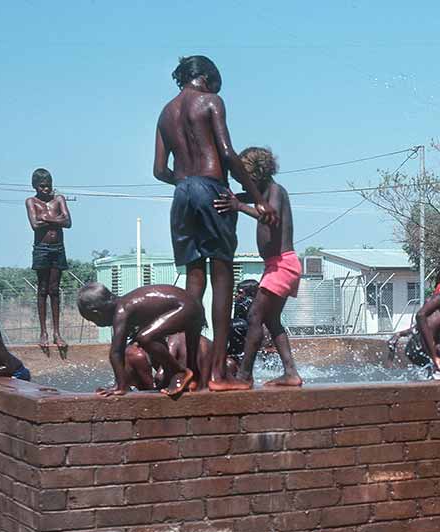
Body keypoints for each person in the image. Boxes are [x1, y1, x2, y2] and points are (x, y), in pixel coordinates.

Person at [153, 55, 278, 391]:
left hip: (182, 195)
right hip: (212, 191)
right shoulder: (210, 101)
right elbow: (226, 152)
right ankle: (218, 375)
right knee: (222, 278)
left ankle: (189, 370)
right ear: (206, 78)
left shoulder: (166, 113)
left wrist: (187, 186)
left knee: (195, 282)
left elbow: (159, 170)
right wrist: (256, 196)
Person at [212, 147, 301, 388]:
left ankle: (244, 376)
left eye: (244, 179)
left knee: (254, 316)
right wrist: (231, 198)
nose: (243, 185)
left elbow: (269, 216)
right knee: (271, 320)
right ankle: (291, 373)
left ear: (257, 174)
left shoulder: (275, 192)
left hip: (282, 264)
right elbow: (246, 198)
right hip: (279, 264)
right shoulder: (264, 192)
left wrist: (238, 207)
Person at [77, 282, 202, 397]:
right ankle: (180, 376)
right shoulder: (129, 305)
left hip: (185, 308)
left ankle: (179, 372)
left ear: (97, 313)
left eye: (92, 320)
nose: (96, 324)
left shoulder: (122, 310)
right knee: (151, 336)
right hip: (190, 306)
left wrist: (121, 386)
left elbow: (116, 352)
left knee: (144, 338)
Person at [25, 168, 72, 352]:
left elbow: (68, 222)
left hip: (57, 248)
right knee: (42, 289)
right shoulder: (31, 201)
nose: (46, 190)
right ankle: (43, 332)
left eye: (49, 186)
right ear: (35, 186)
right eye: (42, 186)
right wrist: (56, 218)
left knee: (55, 290)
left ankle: (57, 333)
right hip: (41, 248)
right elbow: (35, 225)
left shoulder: (59, 199)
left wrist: (47, 217)